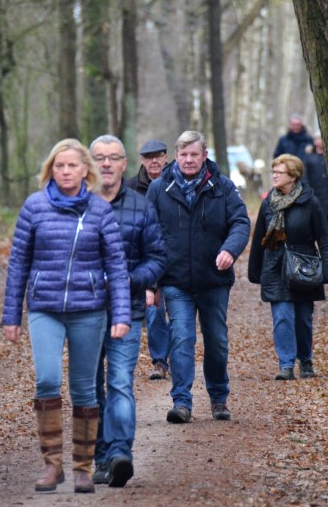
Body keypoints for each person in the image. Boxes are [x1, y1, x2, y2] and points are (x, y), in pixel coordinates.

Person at [2, 139, 131, 494]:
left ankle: (83, 468)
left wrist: (121, 313)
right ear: (50, 170)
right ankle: (52, 464)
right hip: (44, 308)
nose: (65, 171)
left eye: (72, 165)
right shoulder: (34, 207)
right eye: (59, 166)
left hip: (89, 309)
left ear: (85, 170)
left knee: (84, 388)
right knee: (46, 380)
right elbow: (18, 266)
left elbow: (116, 267)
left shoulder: (99, 211)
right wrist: (11, 316)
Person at [146, 131, 250, 423]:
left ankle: (218, 398)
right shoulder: (159, 189)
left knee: (216, 340)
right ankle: (181, 402)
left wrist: (230, 249)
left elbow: (240, 222)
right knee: (181, 339)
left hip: (213, 280)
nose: (189, 160)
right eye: (183, 155)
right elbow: (149, 237)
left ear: (205, 156)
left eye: (194, 154)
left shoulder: (223, 187)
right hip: (175, 280)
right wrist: (152, 283)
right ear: (176, 157)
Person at [89, 135, 166, 488]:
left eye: (113, 157)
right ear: (90, 164)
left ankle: (120, 453)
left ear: (124, 164)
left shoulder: (141, 205)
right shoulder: (76, 206)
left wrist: (129, 279)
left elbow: (158, 258)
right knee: (90, 388)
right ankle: (101, 457)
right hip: (83, 313)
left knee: (119, 381)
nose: (106, 163)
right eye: (99, 157)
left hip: (128, 309)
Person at [246, 154, 328, 381]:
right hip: (275, 266)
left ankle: (305, 360)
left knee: (303, 319)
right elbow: (259, 239)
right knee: (282, 317)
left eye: (279, 172)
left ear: (293, 177)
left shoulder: (310, 202)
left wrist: (327, 270)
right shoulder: (268, 203)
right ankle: (286, 364)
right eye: (273, 172)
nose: (274, 176)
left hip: (303, 266)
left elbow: (324, 239)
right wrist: (255, 271)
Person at [125, 138, 172, 381]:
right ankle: (159, 361)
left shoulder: (177, 182)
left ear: (166, 157)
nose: (154, 161)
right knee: (153, 312)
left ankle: (177, 357)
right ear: (142, 161)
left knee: (177, 312)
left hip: (176, 259)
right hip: (146, 260)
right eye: (149, 157)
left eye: (159, 156)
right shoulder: (131, 187)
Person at [303, 134, 328, 224]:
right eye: (319, 139)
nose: (321, 141)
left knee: (327, 216)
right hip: (315, 193)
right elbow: (304, 177)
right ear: (315, 142)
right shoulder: (309, 158)